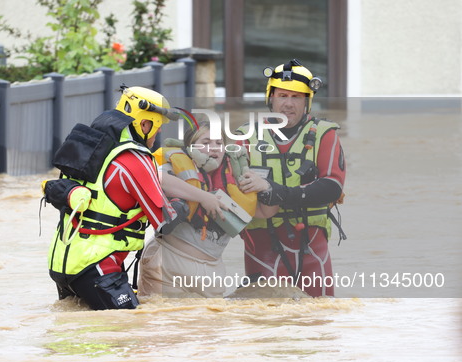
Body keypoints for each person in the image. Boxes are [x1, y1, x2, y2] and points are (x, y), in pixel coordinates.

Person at [43, 85, 180, 310]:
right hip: (97, 269)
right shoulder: (136, 159)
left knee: (73, 335)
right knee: (129, 331)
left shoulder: (90, 145)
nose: (156, 136)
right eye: (157, 128)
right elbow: (167, 223)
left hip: (61, 265)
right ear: (144, 124)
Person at [236, 59, 347, 297]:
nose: (288, 104)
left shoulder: (324, 135)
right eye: (282, 95)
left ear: (307, 101)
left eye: (296, 97)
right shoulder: (243, 137)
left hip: (312, 246)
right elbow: (226, 189)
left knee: (319, 321)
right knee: (266, 324)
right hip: (261, 246)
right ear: (271, 98)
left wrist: (275, 192)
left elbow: (332, 187)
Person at [137, 121, 278, 297]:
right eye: (205, 142)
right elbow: (154, 178)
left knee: (209, 323)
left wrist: (265, 186)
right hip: (168, 264)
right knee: (164, 320)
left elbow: (266, 212)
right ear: (190, 147)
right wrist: (204, 197)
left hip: (212, 271)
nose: (214, 148)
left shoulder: (235, 175)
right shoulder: (174, 164)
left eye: (219, 143)